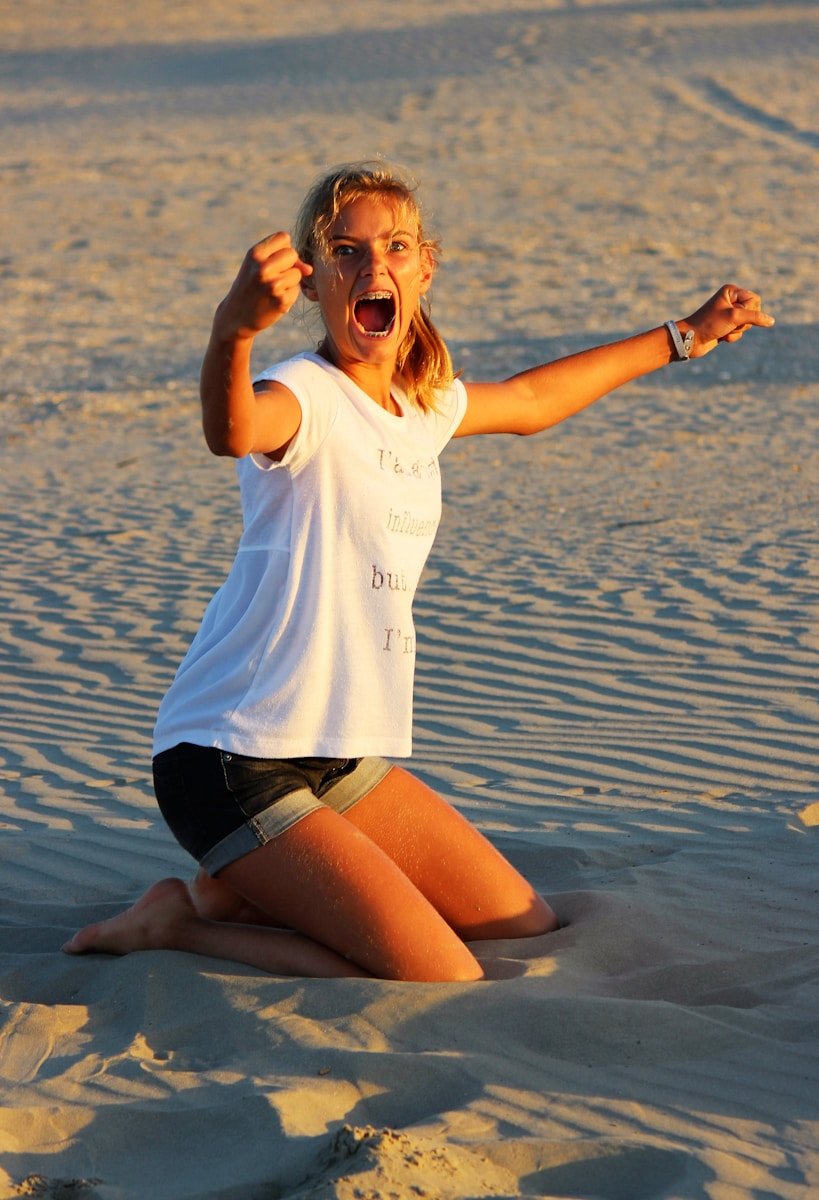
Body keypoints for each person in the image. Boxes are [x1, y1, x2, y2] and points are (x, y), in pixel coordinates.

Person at [64, 161, 774, 982]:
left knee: (520, 923)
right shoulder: (303, 394)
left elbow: (534, 401)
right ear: (312, 279)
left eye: (395, 247)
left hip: (336, 751)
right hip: (230, 755)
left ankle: (241, 893)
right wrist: (232, 329)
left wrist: (683, 336)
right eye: (346, 250)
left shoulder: (421, 404)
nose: (374, 267)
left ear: (424, 268)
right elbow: (233, 431)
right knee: (441, 973)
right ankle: (174, 925)